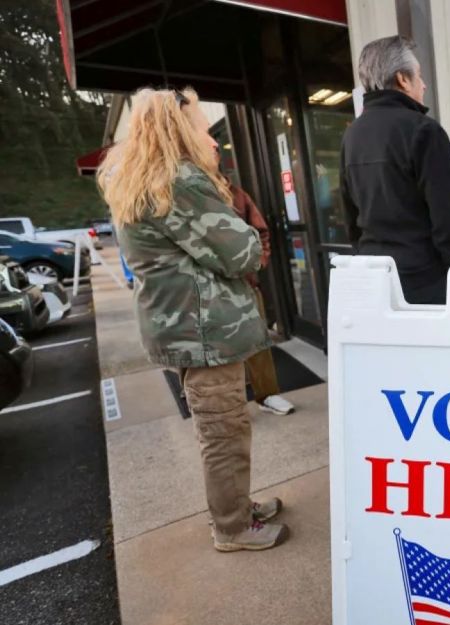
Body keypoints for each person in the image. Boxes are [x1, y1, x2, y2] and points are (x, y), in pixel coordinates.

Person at [97, 88, 287, 551]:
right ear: (179, 131)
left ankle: (236, 510)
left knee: (224, 428)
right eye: (204, 128)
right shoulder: (179, 183)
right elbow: (242, 251)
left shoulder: (146, 180)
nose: (214, 138)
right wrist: (238, 222)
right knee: (223, 433)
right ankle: (233, 528)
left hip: (186, 329)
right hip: (205, 334)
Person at [341, 35, 450, 305]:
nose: (423, 84)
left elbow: (350, 216)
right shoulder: (424, 131)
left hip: (373, 282)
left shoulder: (352, 136)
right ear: (402, 79)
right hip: (424, 282)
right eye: (419, 76)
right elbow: (449, 224)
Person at [226, 180, 295, 415]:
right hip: (204, 288)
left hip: (244, 282)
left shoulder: (233, 191)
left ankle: (267, 395)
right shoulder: (181, 191)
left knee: (258, 340)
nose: (214, 150)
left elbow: (261, 230)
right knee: (213, 351)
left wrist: (259, 260)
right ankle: (223, 407)